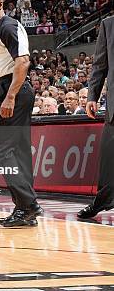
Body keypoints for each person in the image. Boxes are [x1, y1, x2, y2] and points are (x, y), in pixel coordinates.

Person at [0, 0, 42, 227]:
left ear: (1, 3)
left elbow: (23, 61)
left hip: (13, 89)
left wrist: (9, 97)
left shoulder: (8, 25)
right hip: (5, 89)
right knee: (18, 152)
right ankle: (24, 210)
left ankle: (28, 204)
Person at [78, 16, 114, 219]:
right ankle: (102, 201)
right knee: (109, 160)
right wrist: (92, 96)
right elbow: (100, 64)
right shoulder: (108, 24)